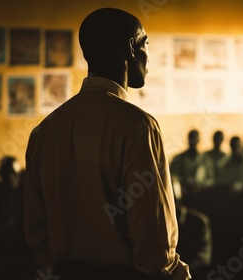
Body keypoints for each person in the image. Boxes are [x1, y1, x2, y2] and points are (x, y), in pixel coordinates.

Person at [24, 8, 190, 280]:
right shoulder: (137, 126)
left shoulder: (46, 130)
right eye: (146, 44)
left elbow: (37, 232)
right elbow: (153, 241)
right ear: (131, 48)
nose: (149, 57)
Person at [170, 129, 214, 200]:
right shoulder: (179, 159)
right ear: (188, 140)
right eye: (192, 139)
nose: (193, 142)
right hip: (184, 193)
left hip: (202, 194)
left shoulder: (205, 160)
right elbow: (174, 176)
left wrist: (201, 186)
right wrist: (184, 185)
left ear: (198, 141)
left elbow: (211, 179)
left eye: (195, 139)